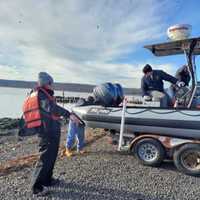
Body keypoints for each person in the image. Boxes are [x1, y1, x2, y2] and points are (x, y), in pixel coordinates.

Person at [22, 72, 80, 195]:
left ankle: (47, 180)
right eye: (51, 83)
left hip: (51, 130)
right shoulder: (41, 95)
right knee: (45, 158)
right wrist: (69, 114)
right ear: (47, 83)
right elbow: (52, 108)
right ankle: (36, 187)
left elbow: (52, 108)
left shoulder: (43, 94)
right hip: (46, 131)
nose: (53, 85)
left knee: (51, 156)